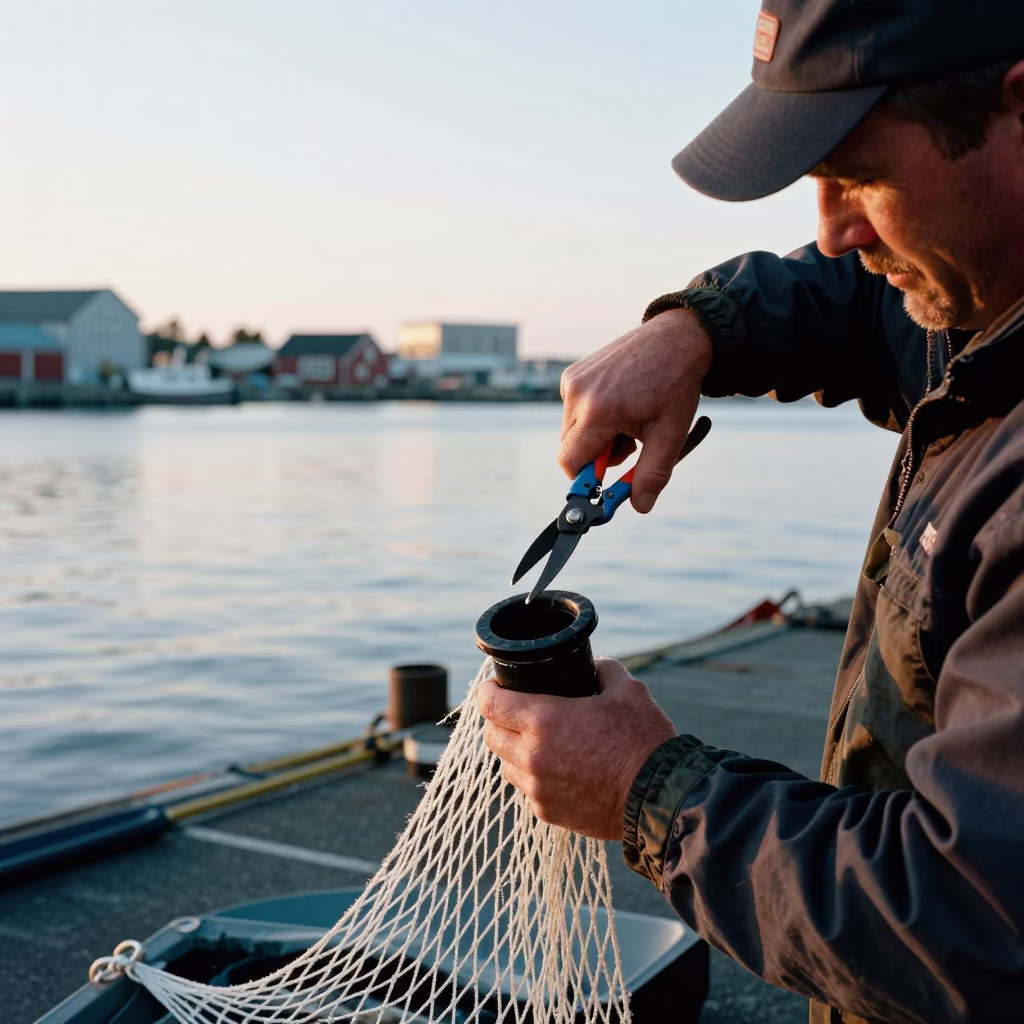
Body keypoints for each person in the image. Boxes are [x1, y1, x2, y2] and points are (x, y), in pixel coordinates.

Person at [477, 2, 1024, 1022]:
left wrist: (652, 791)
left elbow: (977, 925)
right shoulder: (981, 286)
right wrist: (698, 330)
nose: (828, 228)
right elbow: (862, 309)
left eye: (856, 173)